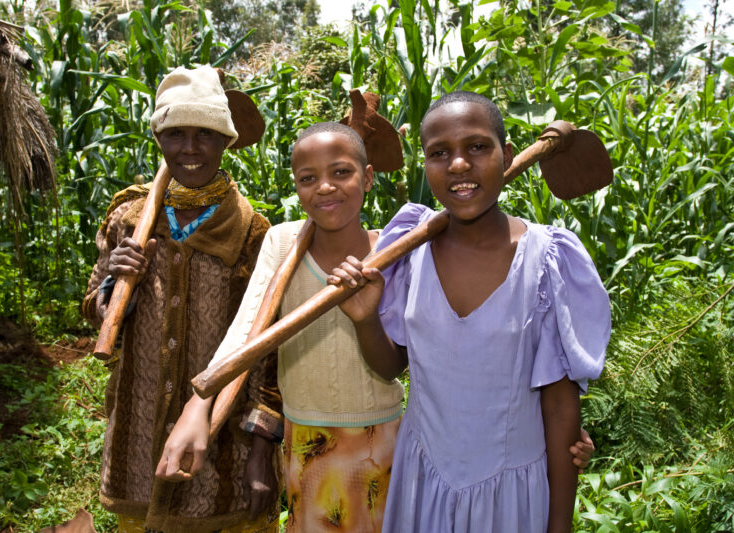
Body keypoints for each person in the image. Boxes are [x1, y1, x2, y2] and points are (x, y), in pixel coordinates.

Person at [160, 113, 598, 531]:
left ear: (367, 178)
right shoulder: (294, 241)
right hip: (314, 446)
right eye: (308, 179)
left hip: (390, 449)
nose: (326, 188)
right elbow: (248, 330)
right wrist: (198, 403)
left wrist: (550, 436)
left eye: (342, 173)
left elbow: (439, 361)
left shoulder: (398, 251)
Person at [329, 90, 610, 532]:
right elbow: (389, 367)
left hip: (512, 493)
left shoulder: (545, 260)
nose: (459, 165)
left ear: (507, 155)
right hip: (424, 483)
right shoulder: (409, 250)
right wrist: (365, 318)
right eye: (440, 153)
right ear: (425, 164)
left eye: (477, 147)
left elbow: (559, 408)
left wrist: (558, 525)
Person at [81, 66, 282, 533]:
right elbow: (94, 309)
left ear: (225, 141)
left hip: (221, 454)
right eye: (175, 134)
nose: (189, 149)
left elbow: (267, 354)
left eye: (205, 135)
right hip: (137, 445)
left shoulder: (254, 232)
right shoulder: (129, 220)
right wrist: (116, 285)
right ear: (158, 139)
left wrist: (260, 451)